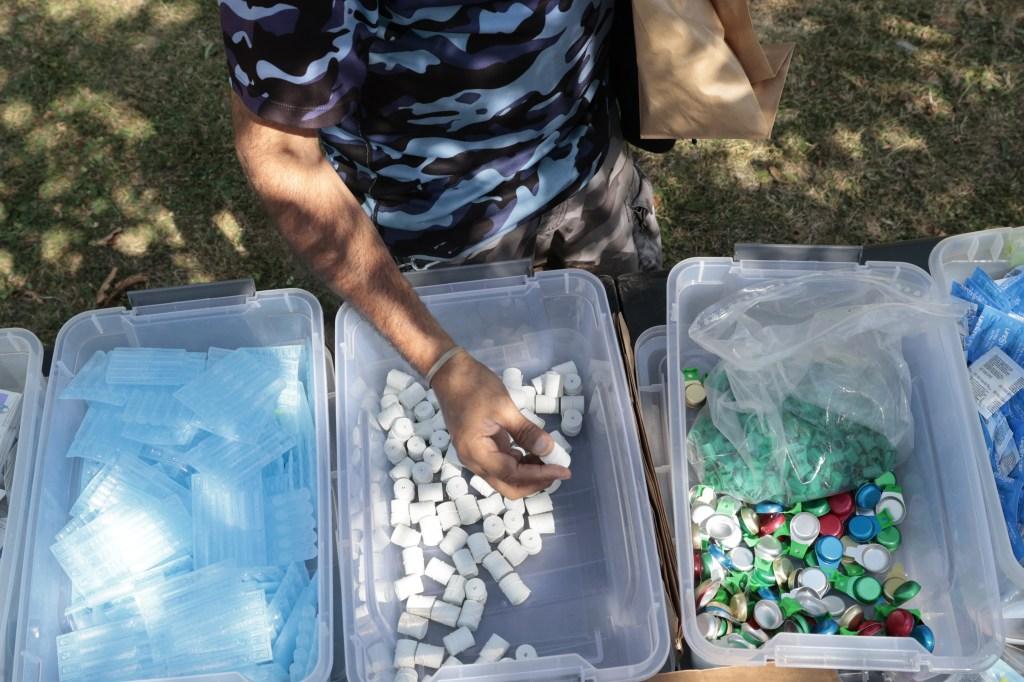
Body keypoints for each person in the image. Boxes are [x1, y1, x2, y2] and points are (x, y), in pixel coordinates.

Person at [218, 0, 662, 498]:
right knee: (478, 435)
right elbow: (279, 153)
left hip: (593, 165)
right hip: (437, 235)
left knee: (634, 392)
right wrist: (441, 362)